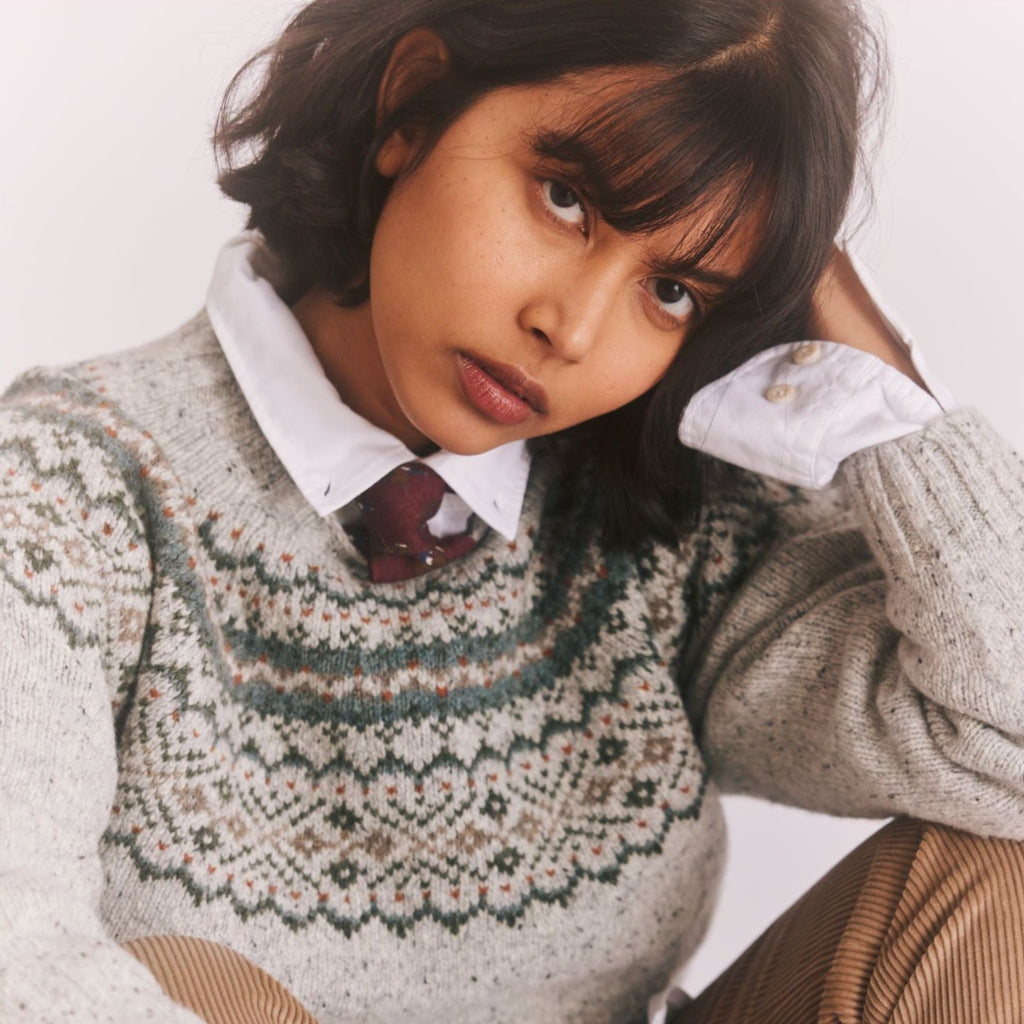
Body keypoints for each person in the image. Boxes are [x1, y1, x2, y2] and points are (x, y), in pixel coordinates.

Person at [1, 1, 1023, 1023]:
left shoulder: (666, 526)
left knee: (987, 892)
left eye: (671, 291)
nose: (570, 330)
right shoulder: (69, 487)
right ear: (411, 106)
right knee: (196, 984)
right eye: (566, 198)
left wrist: (896, 413)